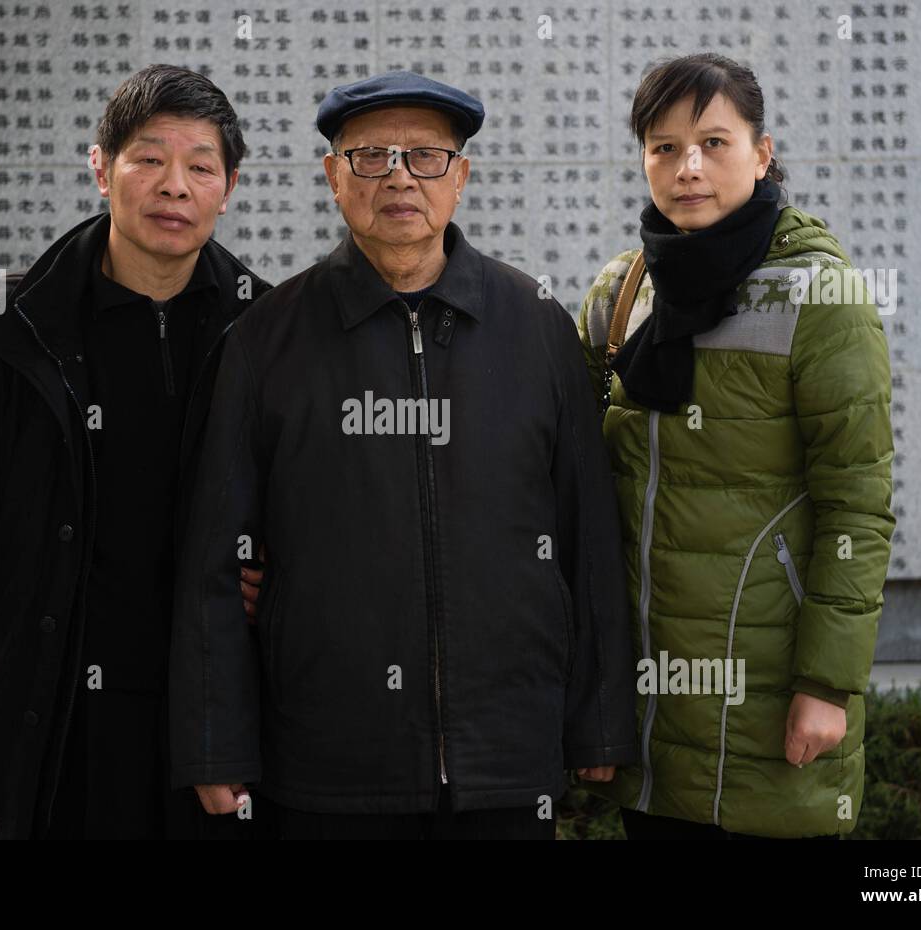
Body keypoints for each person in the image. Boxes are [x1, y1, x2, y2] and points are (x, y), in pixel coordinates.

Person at [170, 71, 638, 840]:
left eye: (425, 157)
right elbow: (215, 563)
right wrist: (215, 742)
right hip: (328, 764)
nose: (398, 177)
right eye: (371, 157)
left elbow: (587, 535)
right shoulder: (266, 341)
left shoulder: (537, 327)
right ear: (332, 177)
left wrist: (600, 720)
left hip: (506, 760)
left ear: (461, 176)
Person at [0, 65, 274, 839]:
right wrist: (5, 692)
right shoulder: (0, 336)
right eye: (148, 158)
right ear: (101, 168)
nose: (175, 185)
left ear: (228, 187)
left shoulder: (270, 335)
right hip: (56, 733)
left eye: (200, 166)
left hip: (213, 734)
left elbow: (316, 516)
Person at [576, 53, 896, 839]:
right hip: (649, 707)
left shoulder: (822, 294)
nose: (688, 167)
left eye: (714, 143)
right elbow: (571, 488)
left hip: (770, 695)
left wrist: (828, 684)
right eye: (664, 146)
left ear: (762, 151)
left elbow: (857, 501)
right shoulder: (623, 293)